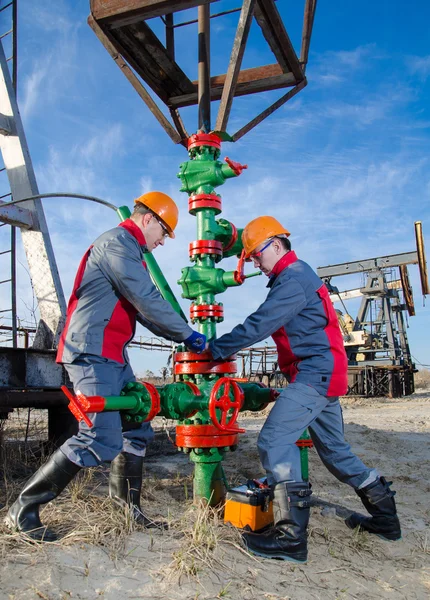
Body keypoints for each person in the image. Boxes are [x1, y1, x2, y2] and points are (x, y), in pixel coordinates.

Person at [6, 191, 206, 541]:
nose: (163, 241)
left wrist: (182, 338)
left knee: (137, 427)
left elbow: (143, 311)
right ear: (148, 219)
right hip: (91, 352)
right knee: (99, 437)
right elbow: (146, 297)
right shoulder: (117, 244)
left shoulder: (130, 251)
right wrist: (186, 332)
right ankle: (22, 510)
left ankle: (126, 510)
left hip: (113, 353)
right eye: (164, 232)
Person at [209, 216, 401, 563]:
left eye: (256, 254)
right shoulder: (296, 276)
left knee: (272, 441)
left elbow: (260, 323)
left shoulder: (293, 278)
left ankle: (290, 539)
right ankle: (387, 521)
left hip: (315, 374)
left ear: (277, 245)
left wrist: (215, 350)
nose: (254, 262)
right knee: (336, 453)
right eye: (249, 257)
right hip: (323, 373)